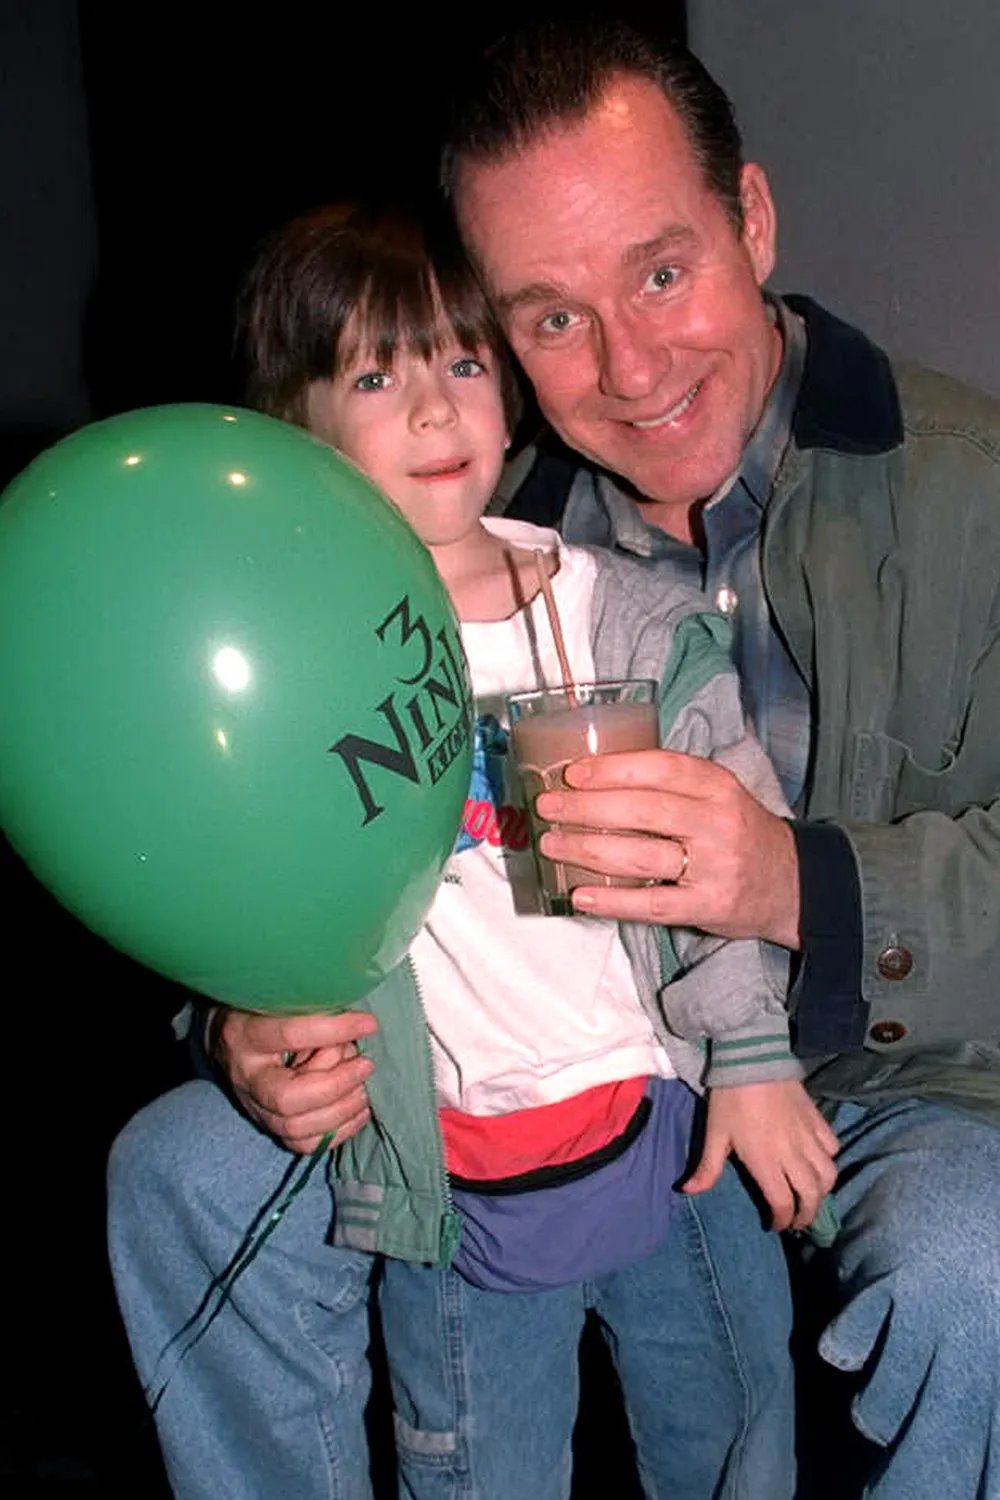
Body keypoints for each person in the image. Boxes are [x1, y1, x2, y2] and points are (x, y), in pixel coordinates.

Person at [108, 199, 839, 1500]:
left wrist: (751, 1054)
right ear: (296, 435)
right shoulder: (292, 671)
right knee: (474, 1470)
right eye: (373, 377)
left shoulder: (624, 621)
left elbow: (726, 837)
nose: (433, 408)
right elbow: (239, 884)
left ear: (506, 393)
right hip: (452, 1179)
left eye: (459, 360)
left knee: (734, 1439)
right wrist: (239, 1017)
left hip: (672, 1130)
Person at [428, 16, 1000, 1500]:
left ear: (750, 220)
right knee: (191, 1165)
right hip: (586, 1071)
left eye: (660, 274)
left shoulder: (976, 495)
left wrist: (794, 885)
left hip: (919, 1087)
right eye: (553, 319)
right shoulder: (461, 549)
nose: (629, 368)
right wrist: (254, 1022)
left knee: (972, 1264)